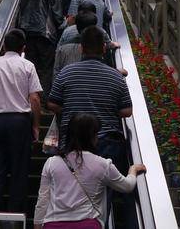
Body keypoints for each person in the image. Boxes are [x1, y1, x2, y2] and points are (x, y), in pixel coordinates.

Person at [48, 26, 135, 224]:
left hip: (73, 143)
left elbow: (52, 103)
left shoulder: (66, 73)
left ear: (81, 48)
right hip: (107, 143)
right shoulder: (116, 76)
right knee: (108, 197)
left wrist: (71, 106)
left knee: (70, 193)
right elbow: (127, 111)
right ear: (104, 48)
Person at [33, 113, 146, 229]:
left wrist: (37, 224)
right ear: (92, 137)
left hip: (53, 224)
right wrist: (133, 170)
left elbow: (43, 199)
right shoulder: (103, 164)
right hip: (87, 224)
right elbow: (127, 186)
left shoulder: (51, 163)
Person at [0, 28, 42, 215]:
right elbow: (35, 99)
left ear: (4, 45)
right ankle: (14, 216)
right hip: (20, 123)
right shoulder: (28, 65)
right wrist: (36, 126)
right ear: (23, 48)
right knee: (19, 172)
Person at [17, 0, 65, 99]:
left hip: (27, 35)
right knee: (46, 68)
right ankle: (42, 100)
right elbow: (57, 16)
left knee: (30, 67)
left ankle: (28, 98)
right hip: (45, 36)